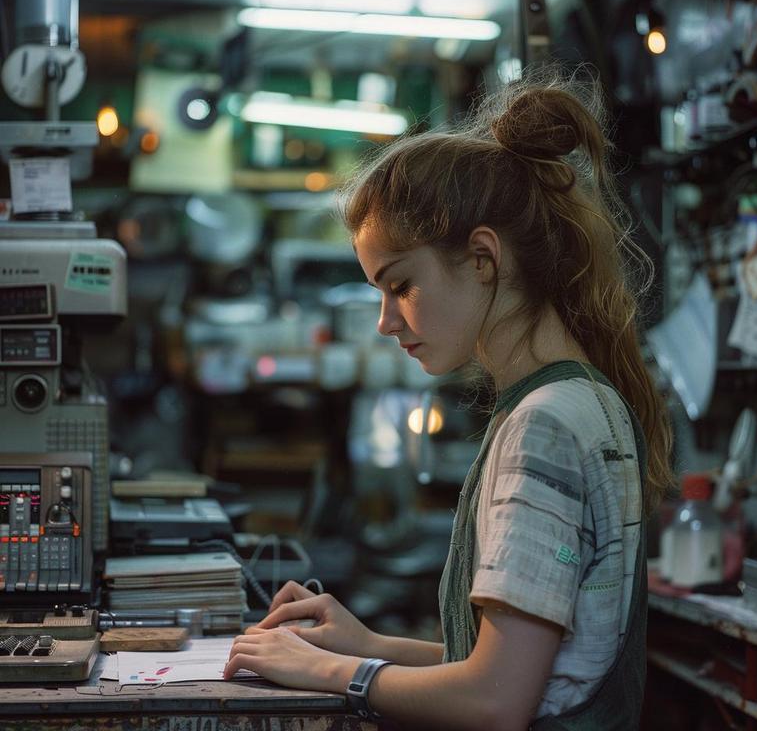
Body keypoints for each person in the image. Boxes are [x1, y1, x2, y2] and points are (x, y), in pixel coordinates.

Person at [223, 70, 674, 730]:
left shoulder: (544, 425)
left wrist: (329, 672)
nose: (385, 320)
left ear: (483, 260)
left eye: (400, 285)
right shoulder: (586, 400)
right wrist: (369, 647)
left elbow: (495, 702)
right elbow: (523, 670)